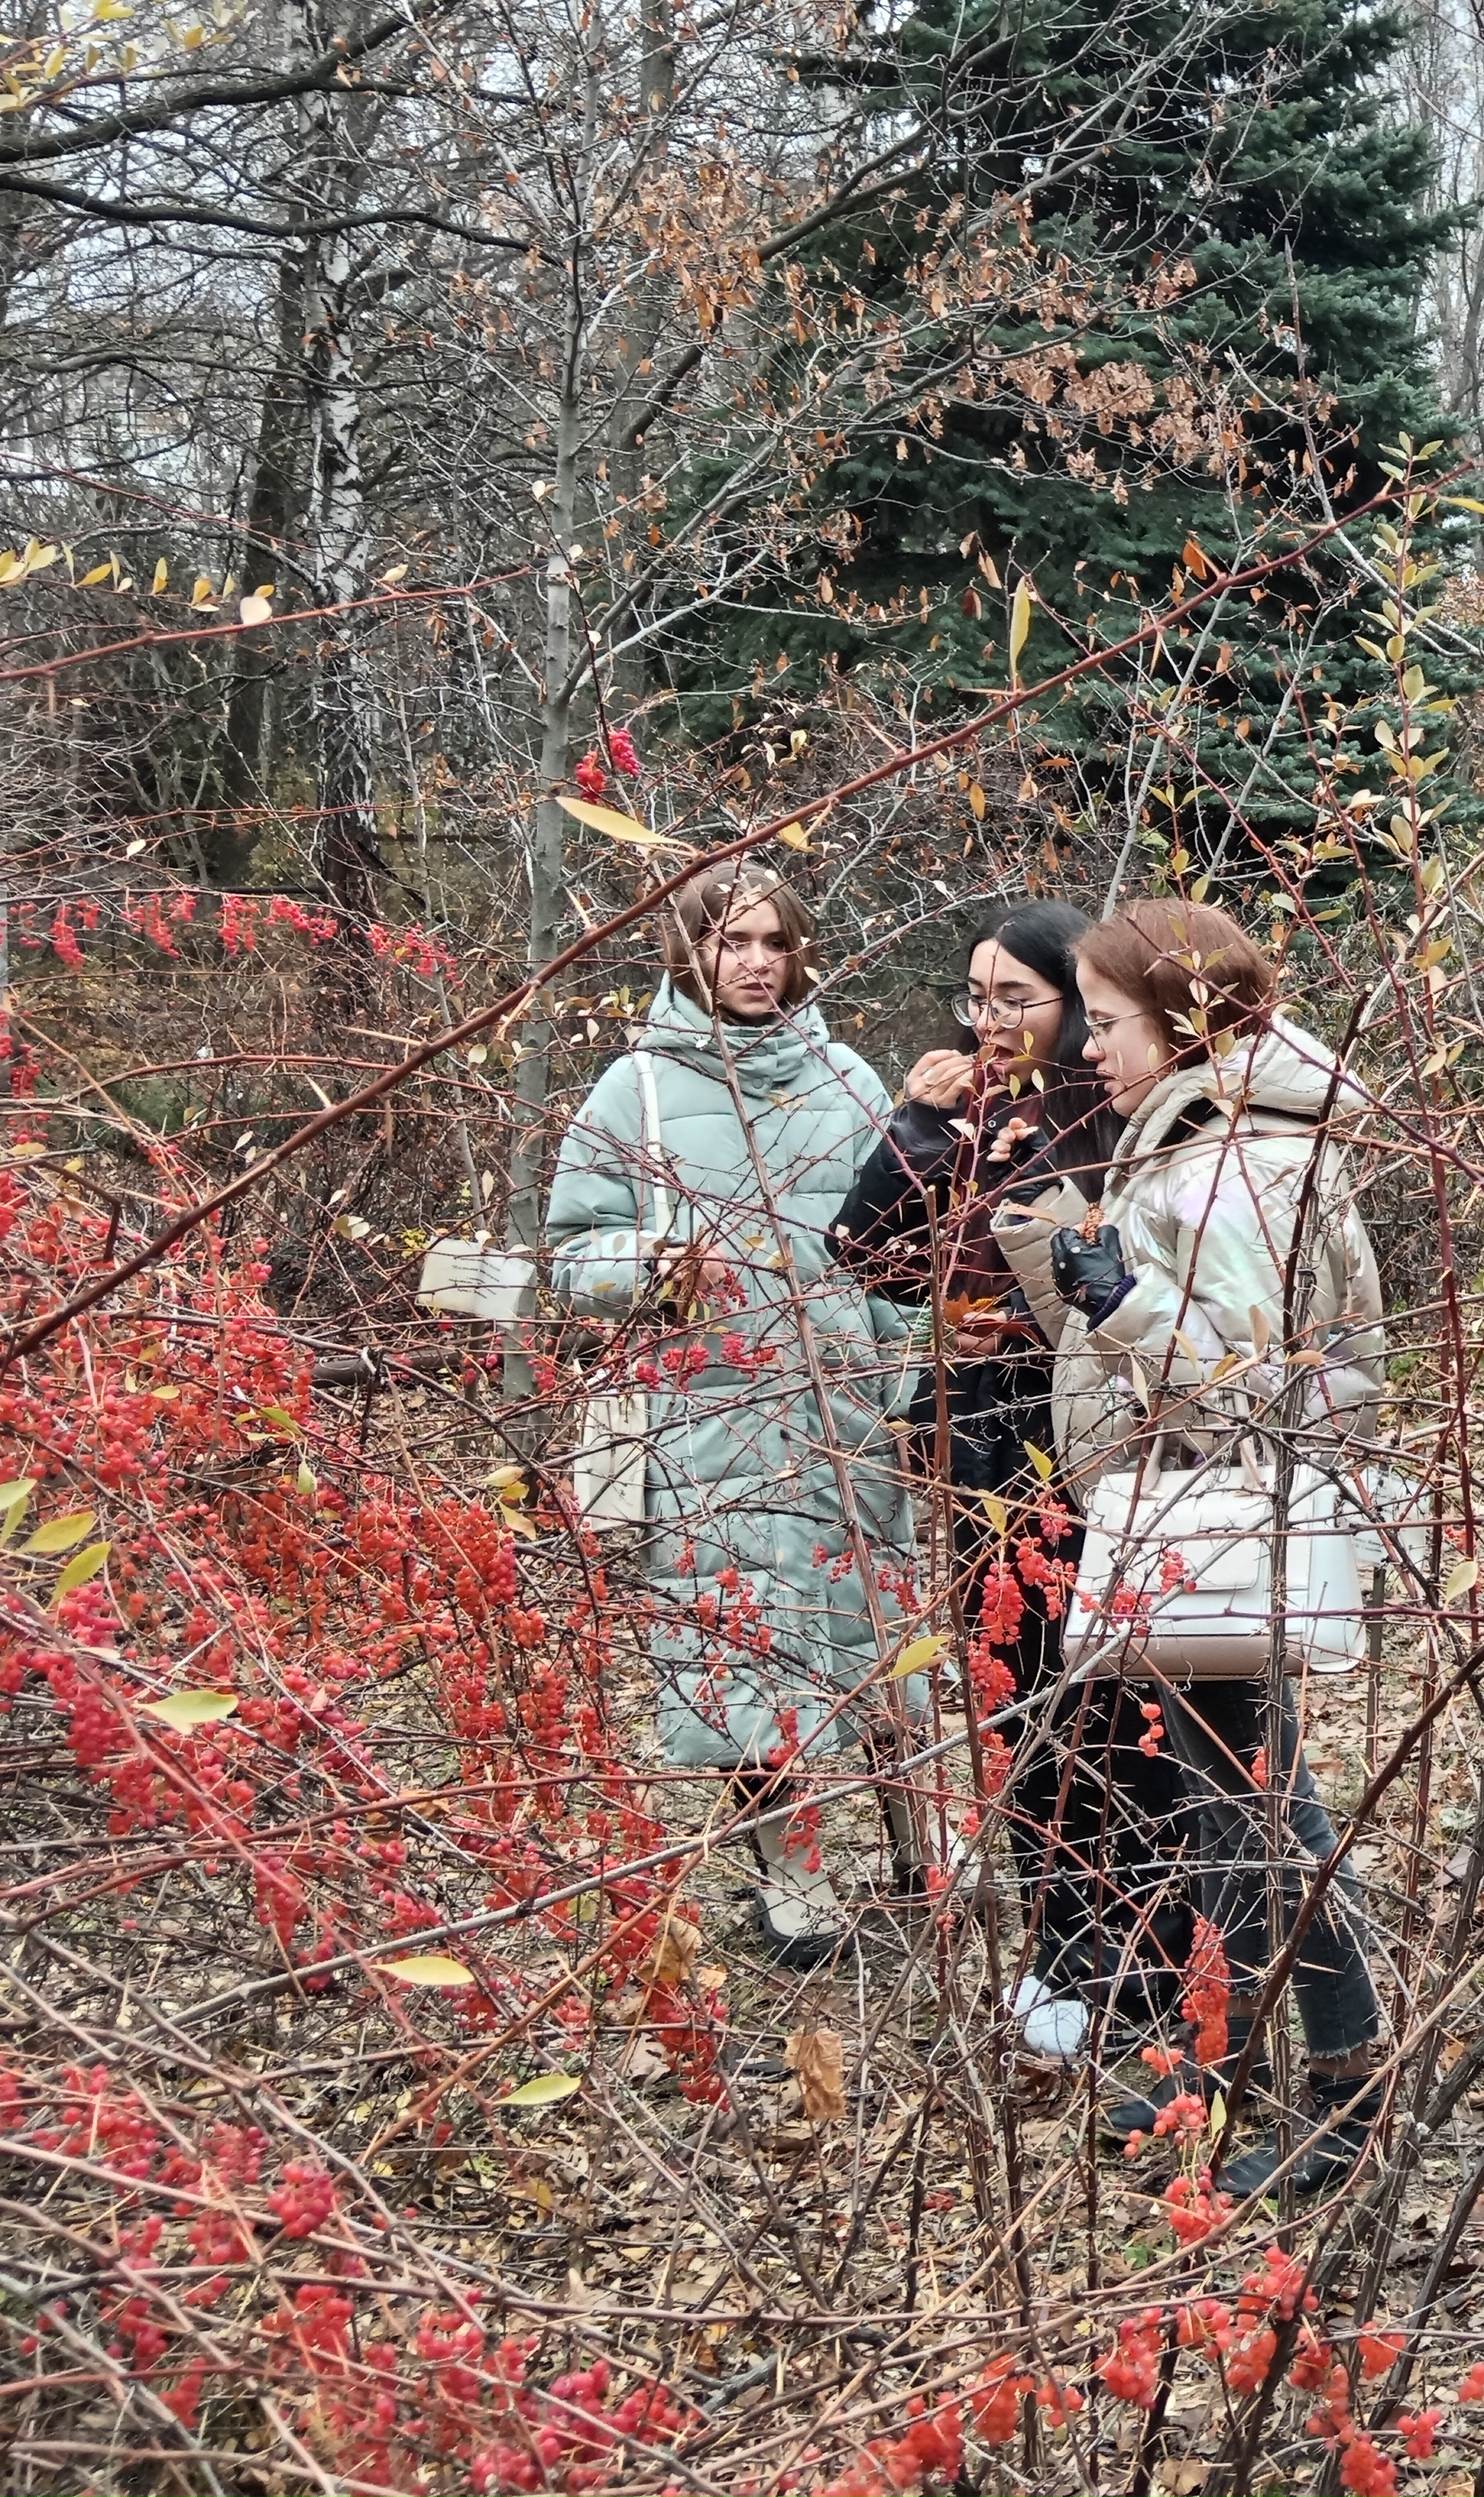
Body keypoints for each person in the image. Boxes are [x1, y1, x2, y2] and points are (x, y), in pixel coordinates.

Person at [996, 899, 1395, 2197]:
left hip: (1215, 1528)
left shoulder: (1237, 1164)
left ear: (1183, 1021)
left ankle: (1344, 2082)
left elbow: (1248, 1387)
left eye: (1107, 1025)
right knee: (1226, 1808)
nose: (1091, 1051)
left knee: (1256, 1815)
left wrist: (1114, 1298)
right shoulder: (1212, 1136)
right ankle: (1209, 2065)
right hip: (1193, 1524)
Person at [545, 863, 915, 1967]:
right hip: (711, 1425)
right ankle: (791, 1882)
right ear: (687, 954)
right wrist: (653, 1264)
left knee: (873, 1641)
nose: (755, 962)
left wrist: (909, 1382)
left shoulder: (849, 1079)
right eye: (730, 942)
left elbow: (894, 1251)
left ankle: (911, 1847)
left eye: (773, 942)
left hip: (842, 1416)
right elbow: (569, 1256)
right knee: (748, 1652)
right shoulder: (636, 1091)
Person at [827, 901, 1113, 2056]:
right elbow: (865, 1256)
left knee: (1092, 1700)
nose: (989, 1023)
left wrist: (1033, 1329)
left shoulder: (1106, 1122)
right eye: (975, 998)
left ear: (1078, 1008)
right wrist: (917, 1126)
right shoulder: (970, 1118)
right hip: (977, 1437)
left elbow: (1119, 1295)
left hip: (1079, 1437)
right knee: (1011, 1697)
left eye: (1015, 1001)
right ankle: (1059, 1943)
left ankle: (1118, 1944)